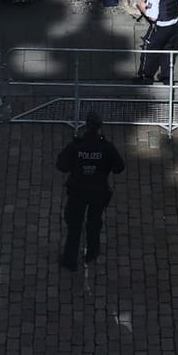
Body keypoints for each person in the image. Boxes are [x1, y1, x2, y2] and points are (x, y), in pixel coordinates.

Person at [56, 112, 124, 271]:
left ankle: (69, 260)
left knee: (74, 226)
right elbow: (119, 168)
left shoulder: (76, 146)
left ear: (86, 126)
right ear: (100, 128)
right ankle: (92, 252)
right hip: (98, 192)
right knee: (94, 222)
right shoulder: (106, 148)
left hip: (77, 191)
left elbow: (61, 165)